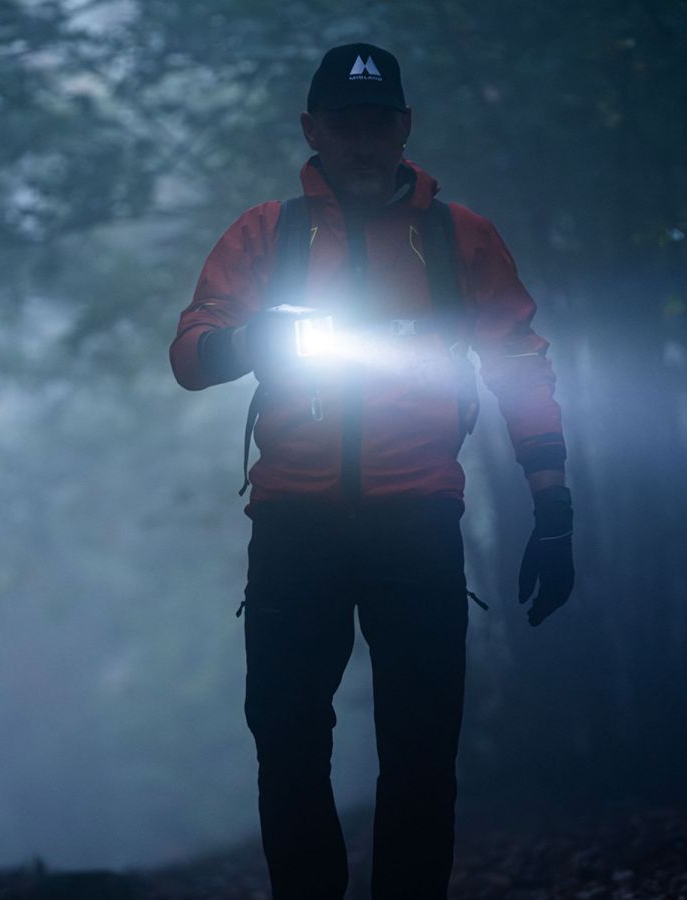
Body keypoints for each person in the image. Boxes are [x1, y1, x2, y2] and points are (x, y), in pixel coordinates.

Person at [170, 42, 573, 900]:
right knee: (285, 743)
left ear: (404, 128)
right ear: (312, 129)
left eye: (378, 122)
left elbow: (518, 363)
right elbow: (191, 355)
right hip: (293, 525)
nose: (361, 141)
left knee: (422, 750)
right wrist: (256, 338)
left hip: (416, 519)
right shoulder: (266, 232)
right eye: (344, 124)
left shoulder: (458, 237)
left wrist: (553, 502)